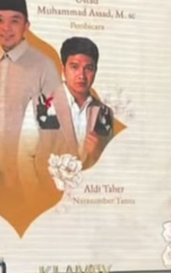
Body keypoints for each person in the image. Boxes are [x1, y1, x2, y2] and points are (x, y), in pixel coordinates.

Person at [0, 0, 61, 177]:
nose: (6, 28)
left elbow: (54, 127)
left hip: (28, 171)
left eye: (15, 21)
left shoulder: (44, 65)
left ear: (26, 26)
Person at [23, 37, 114, 175]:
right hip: (47, 187)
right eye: (74, 67)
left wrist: (99, 153)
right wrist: (38, 188)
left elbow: (112, 168)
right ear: (63, 69)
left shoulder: (105, 113)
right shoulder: (39, 105)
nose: (81, 75)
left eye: (88, 68)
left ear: (95, 71)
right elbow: (24, 157)